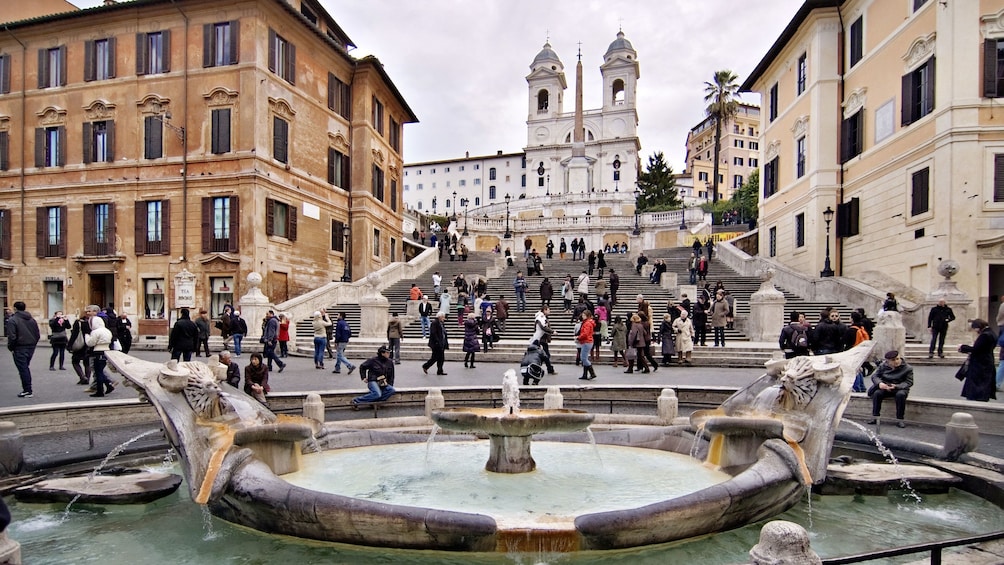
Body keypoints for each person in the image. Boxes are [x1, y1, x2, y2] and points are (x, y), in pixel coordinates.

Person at [867, 350, 913, 428]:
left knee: (900, 395)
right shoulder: (883, 366)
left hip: (900, 388)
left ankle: (900, 419)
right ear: (888, 361)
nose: (896, 361)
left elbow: (909, 382)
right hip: (885, 387)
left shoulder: (908, 368)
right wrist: (880, 383)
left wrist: (897, 386)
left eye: (897, 359)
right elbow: (875, 376)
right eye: (893, 360)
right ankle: (875, 417)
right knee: (877, 393)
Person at [6, 301, 41, 398]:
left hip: (19, 347)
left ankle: (27, 390)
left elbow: (12, 336)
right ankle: (27, 389)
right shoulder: (31, 319)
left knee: (23, 368)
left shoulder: (13, 320)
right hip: (30, 346)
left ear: (15, 308)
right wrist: (33, 343)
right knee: (25, 367)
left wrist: (11, 347)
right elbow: (37, 334)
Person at [958, 319, 997, 402]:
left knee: (977, 383)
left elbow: (976, 349)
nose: (975, 331)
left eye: (975, 328)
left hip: (980, 363)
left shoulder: (985, 335)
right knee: (984, 382)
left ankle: (977, 398)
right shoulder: (992, 333)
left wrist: (962, 347)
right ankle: (981, 397)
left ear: (979, 327)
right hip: (987, 360)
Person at [84, 314, 114, 398]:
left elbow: (90, 343)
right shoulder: (107, 331)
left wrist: (87, 336)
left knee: (98, 372)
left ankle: (100, 391)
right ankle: (108, 385)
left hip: (98, 351)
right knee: (100, 370)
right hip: (106, 350)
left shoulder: (95, 332)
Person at [530, 306, 557, 374]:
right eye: (548, 310)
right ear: (544, 310)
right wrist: (552, 331)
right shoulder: (540, 317)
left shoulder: (542, 317)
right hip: (540, 339)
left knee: (545, 355)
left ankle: (541, 368)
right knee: (545, 355)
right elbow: (543, 327)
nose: (549, 312)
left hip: (541, 339)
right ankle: (545, 369)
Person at [68, 311, 92, 385]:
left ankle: (82, 377)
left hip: (80, 344)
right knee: (87, 363)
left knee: (75, 361)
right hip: (89, 343)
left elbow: (74, 335)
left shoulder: (78, 322)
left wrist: (69, 345)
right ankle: (87, 378)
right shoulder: (91, 322)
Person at [576, 310, 597, 380]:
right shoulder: (587, 322)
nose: (582, 316)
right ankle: (585, 374)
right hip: (587, 341)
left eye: (584, 315)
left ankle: (592, 373)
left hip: (586, 341)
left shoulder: (587, 323)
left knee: (583, 358)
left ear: (587, 316)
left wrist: (578, 337)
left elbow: (585, 334)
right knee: (584, 358)